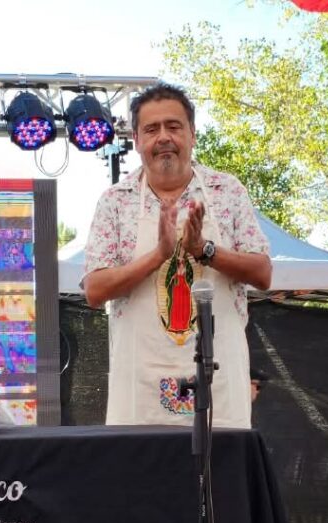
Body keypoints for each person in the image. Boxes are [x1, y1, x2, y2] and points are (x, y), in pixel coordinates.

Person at [83, 83, 272, 428]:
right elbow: (95, 291)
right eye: (151, 129)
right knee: (142, 465)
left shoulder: (226, 190)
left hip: (218, 384)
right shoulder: (115, 200)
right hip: (141, 385)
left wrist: (205, 251)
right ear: (136, 140)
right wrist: (158, 255)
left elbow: (262, 273)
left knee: (220, 463)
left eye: (173, 126)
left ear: (192, 135)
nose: (163, 137)